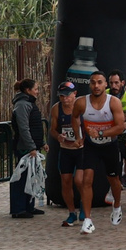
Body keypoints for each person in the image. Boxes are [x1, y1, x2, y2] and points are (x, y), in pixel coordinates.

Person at [71, 71, 126, 235]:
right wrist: (78, 136)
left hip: (110, 145)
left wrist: (101, 133)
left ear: (105, 85)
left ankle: (117, 205)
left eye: (100, 82)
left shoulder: (113, 102)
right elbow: (74, 117)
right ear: (90, 84)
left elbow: (120, 126)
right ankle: (87, 220)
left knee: (114, 180)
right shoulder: (81, 102)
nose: (96, 85)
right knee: (86, 180)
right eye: (93, 82)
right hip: (91, 146)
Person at [11, 79, 47, 218]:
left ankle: (28, 206)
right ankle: (19, 209)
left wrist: (41, 143)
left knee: (30, 177)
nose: (37, 91)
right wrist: (31, 146)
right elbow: (24, 128)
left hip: (31, 147)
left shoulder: (28, 104)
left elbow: (35, 126)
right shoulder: (22, 105)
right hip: (24, 148)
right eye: (36, 89)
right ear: (28, 90)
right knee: (22, 178)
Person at [50, 81, 83, 226]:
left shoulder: (82, 106)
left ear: (75, 94)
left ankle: (84, 206)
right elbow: (52, 129)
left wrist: (83, 139)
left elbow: (90, 125)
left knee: (80, 181)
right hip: (66, 150)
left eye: (67, 95)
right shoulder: (56, 108)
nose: (64, 99)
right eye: (62, 96)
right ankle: (71, 213)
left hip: (81, 150)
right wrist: (58, 136)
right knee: (66, 181)